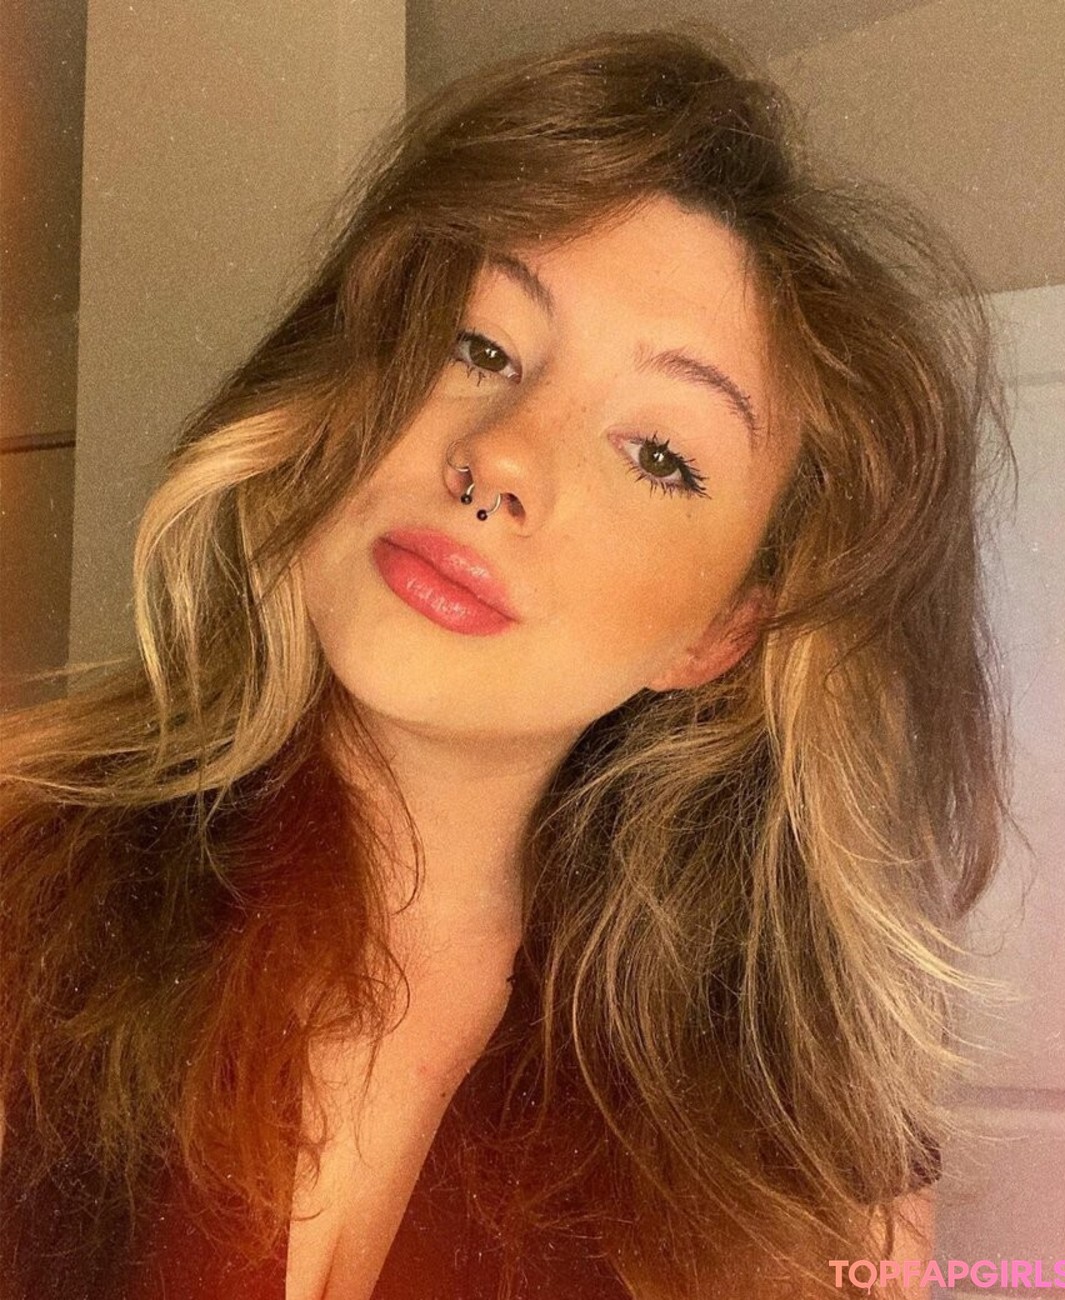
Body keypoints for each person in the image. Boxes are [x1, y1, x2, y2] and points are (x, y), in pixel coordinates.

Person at [0, 29, 1008, 1300]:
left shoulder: (806, 1168)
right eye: (478, 346)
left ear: (719, 632)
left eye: (660, 455)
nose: (502, 456)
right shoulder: (24, 874)